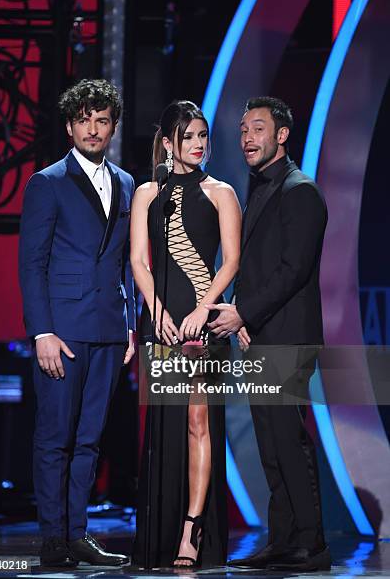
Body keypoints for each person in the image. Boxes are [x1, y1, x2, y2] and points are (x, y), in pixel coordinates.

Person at [208, 97, 330, 573]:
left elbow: (291, 271)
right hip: (262, 332)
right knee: (269, 442)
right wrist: (245, 318)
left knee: (287, 439)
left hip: (289, 334)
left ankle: (311, 544)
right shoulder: (259, 188)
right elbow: (254, 266)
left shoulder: (300, 191)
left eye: (257, 128)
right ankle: (283, 539)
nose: (246, 138)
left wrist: (243, 314)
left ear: (281, 135)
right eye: (242, 130)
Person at [19, 79, 135, 568]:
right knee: (55, 437)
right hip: (62, 331)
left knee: (90, 438)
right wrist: (41, 331)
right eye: (84, 118)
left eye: (102, 120)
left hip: (109, 330)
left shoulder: (127, 183)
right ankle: (53, 538)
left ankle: (78, 534)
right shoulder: (47, 182)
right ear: (70, 126)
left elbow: (126, 263)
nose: (93, 128)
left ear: (112, 127)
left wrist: (130, 324)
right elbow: (32, 263)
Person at [130, 100, 241, 568]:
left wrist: (200, 310)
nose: (198, 145)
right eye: (189, 136)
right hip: (163, 321)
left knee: (198, 422)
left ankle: (192, 530)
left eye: (203, 136)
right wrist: (156, 310)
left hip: (202, 324)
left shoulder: (221, 192)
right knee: (163, 428)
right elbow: (139, 260)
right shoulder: (148, 193)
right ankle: (160, 527)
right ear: (169, 141)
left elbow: (231, 261)